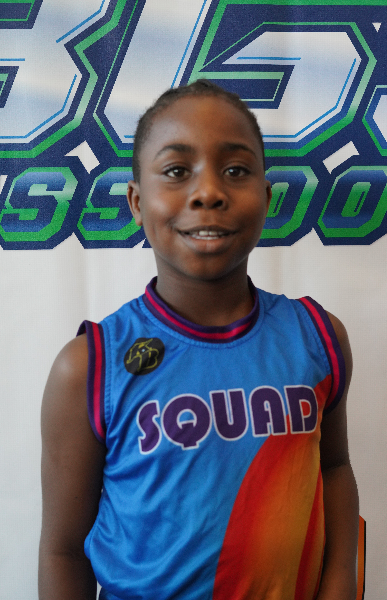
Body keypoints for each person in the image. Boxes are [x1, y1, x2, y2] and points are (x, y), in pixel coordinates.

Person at [39, 80, 359, 600]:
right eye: (176, 171)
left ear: (266, 197)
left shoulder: (318, 337)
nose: (209, 192)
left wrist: (342, 579)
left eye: (236, 171)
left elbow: (335, 468)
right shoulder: (90, 367)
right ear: (137, 202)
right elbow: (63, 551)